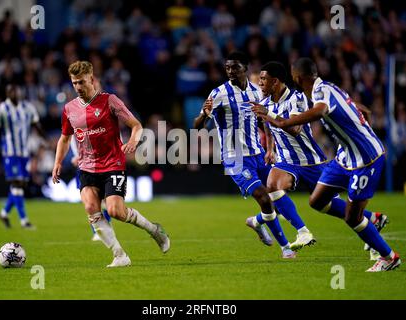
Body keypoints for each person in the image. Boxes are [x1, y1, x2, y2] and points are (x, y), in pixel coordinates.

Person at [253, 57, 400, 272]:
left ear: (298, 77)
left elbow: (318, 112)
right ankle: (367, 221)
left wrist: (279, 119)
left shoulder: (317, 94)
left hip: (365, 159)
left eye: (293, 74)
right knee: (317, 201)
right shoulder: (326, 88)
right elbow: (363, 110)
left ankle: (389, 257)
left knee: (352, 216)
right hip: (343, 156)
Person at [52, 61, 170, 267]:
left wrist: (133, 141)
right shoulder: (69, 109)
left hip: (113, 163)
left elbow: (136, 125)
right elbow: (64, 138)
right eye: (74, 83)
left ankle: (154, 230)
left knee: (115, 211)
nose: (78, 87)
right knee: (91, 208)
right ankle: (119, 255)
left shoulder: (109, 101)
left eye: (81, 82)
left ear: (91, 78)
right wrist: (57, 163)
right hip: (87, 166)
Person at [194, 51, 296, 259]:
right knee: (264, 197)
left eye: (235, 67)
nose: (230, 71)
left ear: (245, 68)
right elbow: (197, 126)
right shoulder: (219, 93)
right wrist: (204, 115)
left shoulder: (257, 92)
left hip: (258, 153)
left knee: (277, 194)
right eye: (227, 67)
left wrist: (270, 148)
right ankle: (286, 247)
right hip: (235, 157)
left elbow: (264, 119)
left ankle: (257, 222)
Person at [0, 83, 45, 229]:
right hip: (9, 152)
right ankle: (24, 221)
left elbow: (37, 125)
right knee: (16, 183)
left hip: (24, 152)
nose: (14, 93)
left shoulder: (27, 108)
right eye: (10, 91)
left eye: (15, 90)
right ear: (7, 93)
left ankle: (4, 213)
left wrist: (45, 139)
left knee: (20, 184)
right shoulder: (1, 110)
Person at [70, 137, 112, 241]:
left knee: (104, 202)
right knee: (89, 203)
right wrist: (77, 156)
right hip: (82, 168)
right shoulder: (71, 128)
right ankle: (98, 232)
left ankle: (106, 227)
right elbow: (69, 141)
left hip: (99, 164)